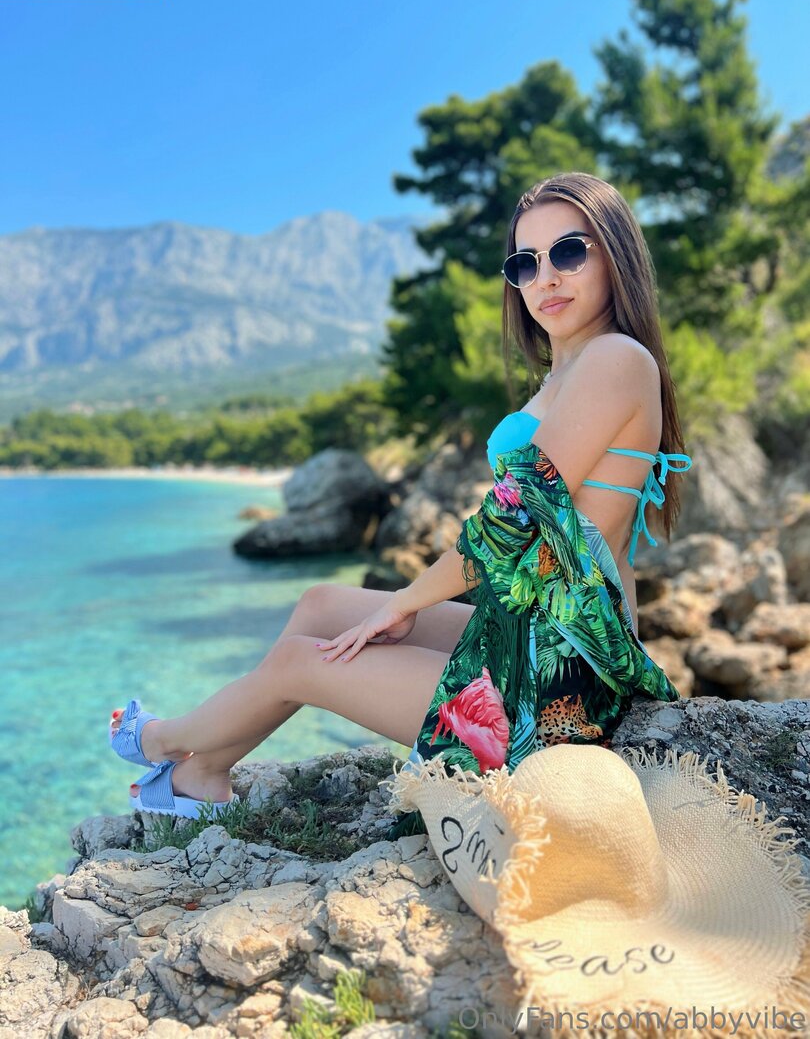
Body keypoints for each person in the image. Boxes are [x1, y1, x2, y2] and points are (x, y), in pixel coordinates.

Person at [110, 171, 692, 818]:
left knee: (301, 662)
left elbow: (513, 521)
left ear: (615, 252)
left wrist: (405, 602)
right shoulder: (568, 371)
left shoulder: (616, 358)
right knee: (322, 604)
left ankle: (164, 740)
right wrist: (405, 603)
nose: (545, 278)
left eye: (568, 252)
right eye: (525, 263)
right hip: (526, 630)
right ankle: (202, 775)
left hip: (560, 679)